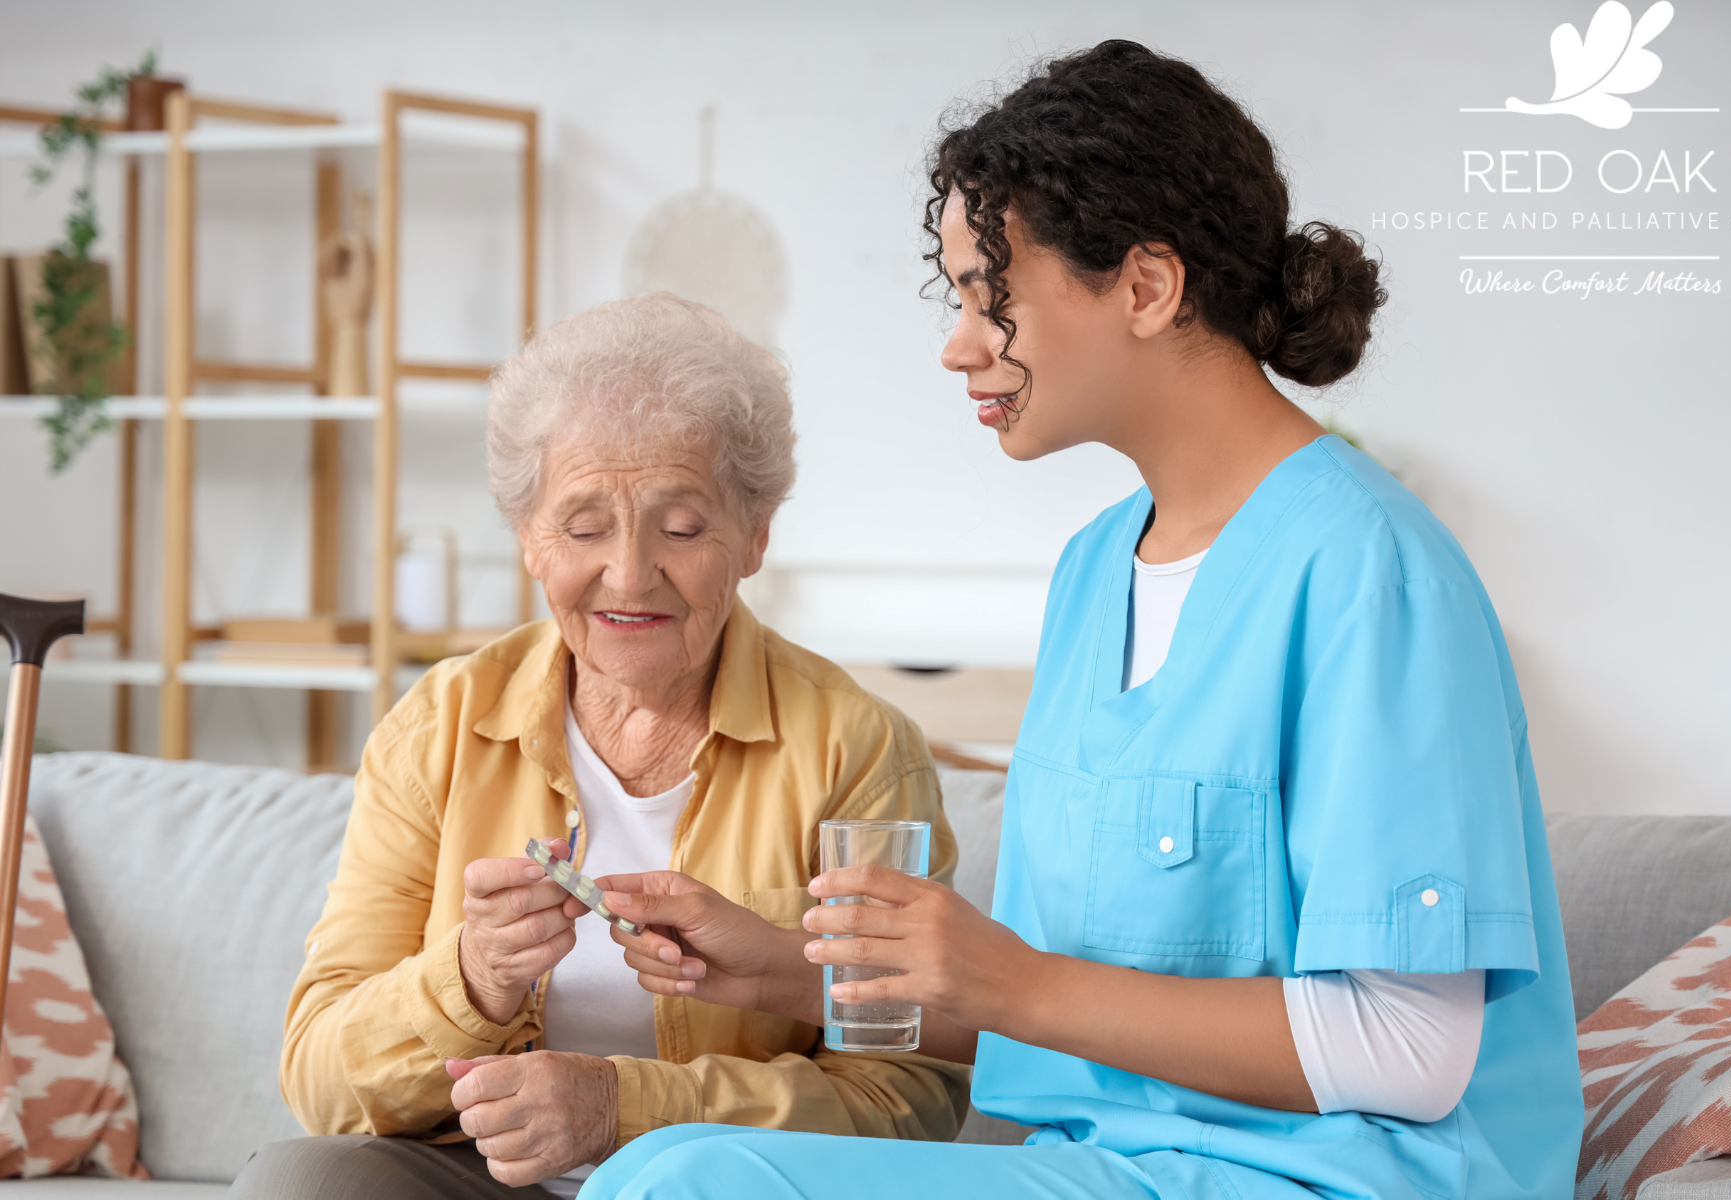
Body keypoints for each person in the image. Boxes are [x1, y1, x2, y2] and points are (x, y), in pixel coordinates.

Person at [581, 41, 1581, 1200]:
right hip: (1118, 1168)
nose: (958, 344)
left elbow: (1413, 1053)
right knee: (666, 1167)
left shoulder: (1370, 571)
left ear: (1147, 287)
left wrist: (1010, 982)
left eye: (986, 293)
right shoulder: (1093, 572)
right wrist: (790, 977)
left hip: (1347, 1181)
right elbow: (1079, 1022)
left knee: (689, 1188)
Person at [231, 294, 968, 1200]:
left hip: (720, 1182)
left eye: (684, 527)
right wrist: (471, 978)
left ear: (754, 538)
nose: (628, 574)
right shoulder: (438, 728)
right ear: (530, 540)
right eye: (583, 527)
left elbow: (906, 1093)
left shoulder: (854, 746)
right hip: (477, 1174)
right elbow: (319, 1079)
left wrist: (625, 1107)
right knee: (304, 1181)